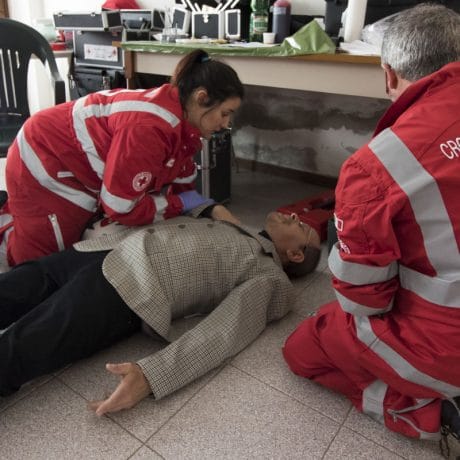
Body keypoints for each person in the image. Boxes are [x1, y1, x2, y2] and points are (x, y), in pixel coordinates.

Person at [283, 3, 460, 443]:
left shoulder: (376, 167)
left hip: (445, 344)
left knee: (304, 350)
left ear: (389, 75)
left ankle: (434, 415)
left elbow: (365, 300)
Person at [0, 202, 321, 415]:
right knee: (15, 286)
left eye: (301, 226)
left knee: (21, 347)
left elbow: (227, 328)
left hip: (131, 287)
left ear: (295, 255)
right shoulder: (238, 225)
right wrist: (214, 209)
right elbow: (187, 202)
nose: (293, 215)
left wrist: (153, 375)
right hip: (100, 249)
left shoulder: (270, 276)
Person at [0, 49, 244, 267]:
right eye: (225, 113)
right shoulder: (151, 128)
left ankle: (19, 211)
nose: (226, 124)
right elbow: (120, 206)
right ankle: (9, 228)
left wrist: (205, 206)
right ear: (201, 98)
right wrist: (180, 205)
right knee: (43, 264)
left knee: (80, 238)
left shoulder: (183, 121)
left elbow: (177, 183)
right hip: (45, 157)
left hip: (73, 160)